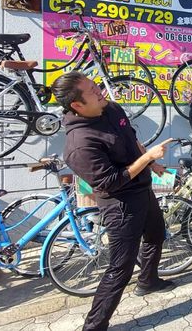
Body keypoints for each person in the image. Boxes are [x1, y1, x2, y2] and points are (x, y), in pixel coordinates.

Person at [51, 71, 175, 331]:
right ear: (77, 105)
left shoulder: (111, 109)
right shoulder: (80, 145)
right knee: (120, 268)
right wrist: (147, 158)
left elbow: (132, 139)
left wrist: (153, 164)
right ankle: (94, 326)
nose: (100, 92)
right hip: (120, 204)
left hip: (143, 190)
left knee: (155, 234)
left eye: (96, 86)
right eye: (92, 92)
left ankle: (148, 281)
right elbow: (111, 182)